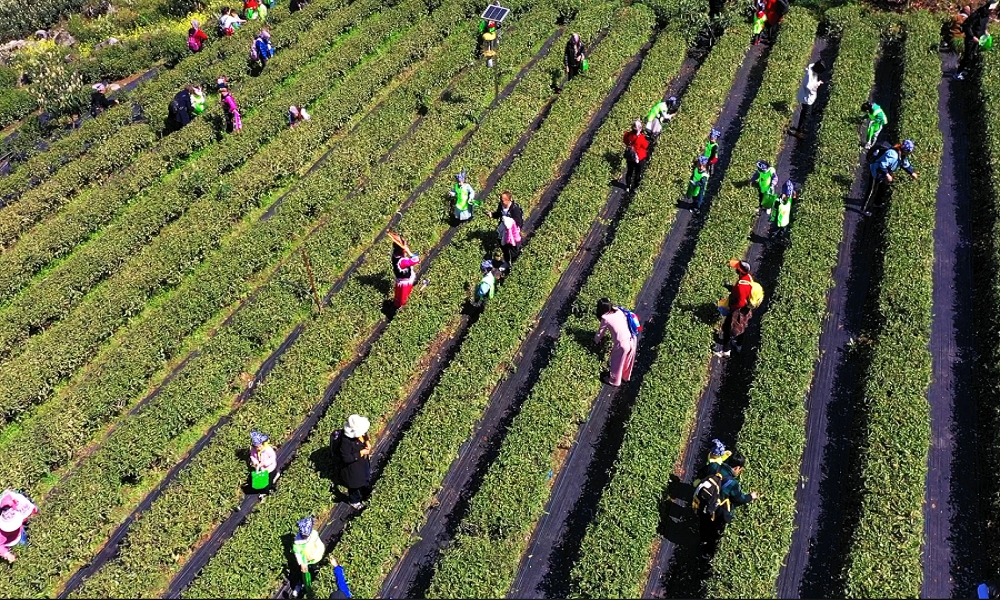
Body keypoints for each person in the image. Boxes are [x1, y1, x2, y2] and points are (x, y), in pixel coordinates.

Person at [698, 453, 758, 558]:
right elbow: (739, 499)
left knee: (703, 524)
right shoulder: (732, 483)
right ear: (737, 468)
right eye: (740, 469)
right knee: (714, 532)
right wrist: (750, 496)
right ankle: (707, 552)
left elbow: (700, 474)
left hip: (703, 501)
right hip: (717, 511)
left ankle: (702, 539)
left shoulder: (714, 466)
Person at [863, 139, 918, 216]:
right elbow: (882, 165)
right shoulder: (893, 155)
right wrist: (887, 175)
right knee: (872, 190)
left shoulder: (902, 155)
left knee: (881, 188)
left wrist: (912, 172)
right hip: (876, 171)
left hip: (884, 173)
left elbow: (905, 165)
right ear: (906, 150)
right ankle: (865, 209)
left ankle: (877, 203)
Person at [593, 298, 638, 387]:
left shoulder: (605, 318)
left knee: (616, 363)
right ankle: (625, 377)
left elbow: (600, 333)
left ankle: (614, 381)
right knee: (627, 360)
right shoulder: (619, 310)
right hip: (632, 339)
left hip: (622, 344)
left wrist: (595, 341)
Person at [715, 259, 754, 357]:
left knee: (728, 329)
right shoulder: (747, 278)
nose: (735, 269)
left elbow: (740, 302)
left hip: (738, 310)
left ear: (740, 271)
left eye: (737, 268)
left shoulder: (741, 285)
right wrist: (730, 287)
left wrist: (731, 308)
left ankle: (725, 351)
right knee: (742, 327)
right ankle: (739, 345)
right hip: (746, 309)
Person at [337, 414, 372, 509]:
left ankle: (365, 491)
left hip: (362, 463)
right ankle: (354, 501)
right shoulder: (346, 441)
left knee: (365, 476)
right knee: (355, 485)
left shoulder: (361, 431)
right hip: (352, 468)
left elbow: (364, 434)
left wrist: (367, 442)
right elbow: (346, 458)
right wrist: (361, 453)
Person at [955, 1, 997, 79]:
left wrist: (986, 32)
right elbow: (967, 26)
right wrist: (972, 37)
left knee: (973, 55)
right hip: (971, 38)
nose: (993, 11)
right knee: (968, 56)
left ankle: (965, 69)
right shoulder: (977, 14)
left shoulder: (986, 15)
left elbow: (982, 27)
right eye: (992, 9)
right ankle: (957, 73)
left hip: (979, 38)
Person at [292, 516, 326, 596]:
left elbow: (320, 546)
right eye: (303, 535)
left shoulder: (314, 535)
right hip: (305, 560)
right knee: (303, 572)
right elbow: (297, 552)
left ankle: (313, 582)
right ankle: (301, 584)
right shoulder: (297, 541)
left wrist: (314, 556)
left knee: (314, 570)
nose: (305, 537)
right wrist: (301, 563)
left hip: (315, 558)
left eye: (306, 535)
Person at [790, 60, 825, 138]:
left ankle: (801, 128)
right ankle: (799, 131)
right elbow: (809, 87)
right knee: (806, 114)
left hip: (807, 97)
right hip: (807, 98)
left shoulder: (812, 68)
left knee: (805, 112)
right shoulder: (809, 76)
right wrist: (817, 84)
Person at [0, 490, 37, 563]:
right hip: (10, 541)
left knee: (24, 543)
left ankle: (27, 552)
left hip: (19, 533)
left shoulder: (12, 506)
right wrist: (7, 554)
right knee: (22, 546)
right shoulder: (1, 534)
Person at [491, 190, 524, 267]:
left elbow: (519, 223)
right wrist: (492, 215)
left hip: (513, 231)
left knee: (513, 246)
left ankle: (515, 261)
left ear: (510, 200)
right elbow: (498, 214)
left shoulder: (514, 209)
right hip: (503, 229)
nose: (502, 202)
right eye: (501, 200)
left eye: (503, 200)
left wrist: (509, 223)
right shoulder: (501, 205)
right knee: (503, 244)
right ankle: (507, 261)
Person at [389, 232, 420, 309]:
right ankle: (400, 306)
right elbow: (416, 259)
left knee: (398, 293)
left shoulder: (394, 255)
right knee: (403, 295)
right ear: (402, 250)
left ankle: (396, 303)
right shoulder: (402, 262)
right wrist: (409, 252)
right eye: (405, 246)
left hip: (400, 279)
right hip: (404, 282)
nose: (407, 246)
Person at [622, 119, 649, 193]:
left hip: (630, 157)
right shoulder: (641, 137)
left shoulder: (627, 135)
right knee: (638, 173)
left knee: (629, 171)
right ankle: (635, 187)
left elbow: (625, 141)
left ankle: (628, 186)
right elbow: (645, 146)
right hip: (639, 158)